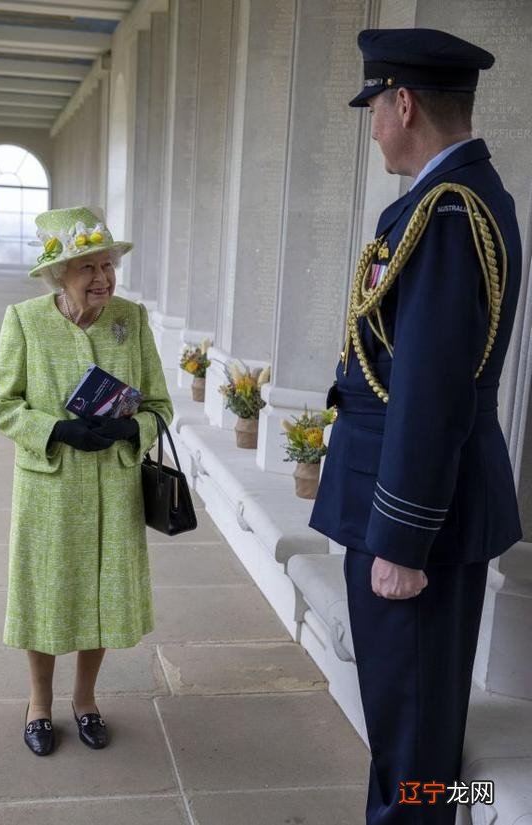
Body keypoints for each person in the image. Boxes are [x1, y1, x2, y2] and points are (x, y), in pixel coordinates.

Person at [309, 29, 522, 824]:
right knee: (407, 731)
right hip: (407, 502)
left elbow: (431, 392)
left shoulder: (448, 213)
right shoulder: (452, 201)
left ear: (403, 104)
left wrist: (401, 540)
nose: (372, 129)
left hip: (413, 519)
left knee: (414, 740)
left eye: (374, 107)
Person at [0, 206, 173, 756]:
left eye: (107, 265)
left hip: (114, 488)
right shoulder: (25, 320)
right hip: (49, 490)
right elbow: (0, 406)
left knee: (103, 597)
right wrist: (57, 430)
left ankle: (85, 700)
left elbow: (160, 406)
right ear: (58, 274)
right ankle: (38, 705)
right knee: (46, 597)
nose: (103, 278)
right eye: (88, 267)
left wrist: (131, 428)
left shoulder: (131, 319)